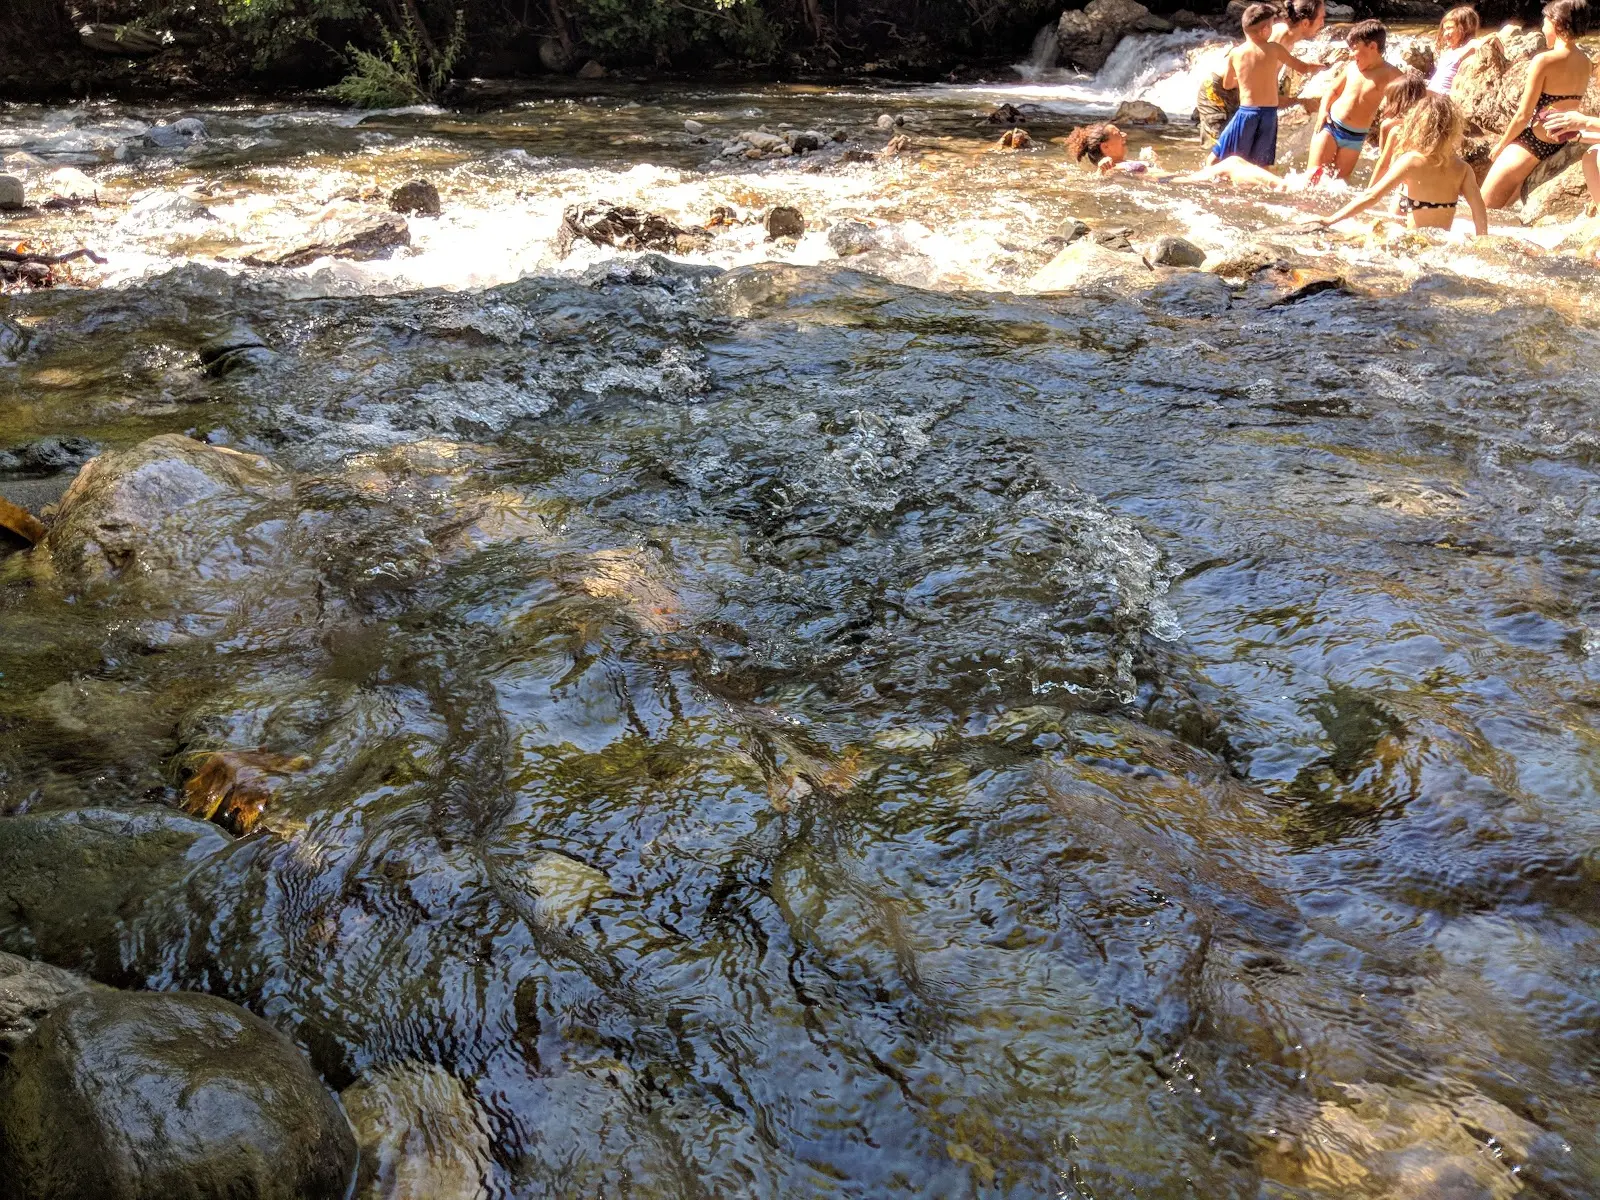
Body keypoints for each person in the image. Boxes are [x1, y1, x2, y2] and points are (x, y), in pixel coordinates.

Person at [1317, 92, 1488, 233]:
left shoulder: (1412, 161)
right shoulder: (1462, 169)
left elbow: (1372, 196)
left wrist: (1330, 220)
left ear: (1419, 126)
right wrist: (1483, 239)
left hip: (1415, 244)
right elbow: (1478, 209)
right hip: (1440, 245)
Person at [1480, 0, 1592, 209]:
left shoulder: (1545, 60)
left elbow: (1524, 114)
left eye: (1545, 22)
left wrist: (1501, 145)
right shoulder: (1585, 61)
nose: (1542, 27)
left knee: (1481, 207)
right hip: (1561, 142)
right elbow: (1565, 105)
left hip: (1532, 143)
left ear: (1557, 23)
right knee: (1506, 213)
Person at [1211, 2, 1329, 167]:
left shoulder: (1237, 53)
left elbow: (1230, 83)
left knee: (1220, 159)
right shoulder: (1276, 47)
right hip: (1261, 112)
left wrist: (1248, 79)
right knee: (1258, 165)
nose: (1324, 23)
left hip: (1247, 111)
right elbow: (1302, 68)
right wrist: (1321, 68)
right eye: (1322, 18)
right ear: (1266, 30)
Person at [1063, 119, 1305, 191]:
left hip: (1179, 181)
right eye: (1118, 134)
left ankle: (1279, 185)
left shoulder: (1125, 163)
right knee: (1232, 162)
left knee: (1236, 164)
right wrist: (1101, 169)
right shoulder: (1113, 167)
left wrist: (1155, 163)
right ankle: (1284, 187)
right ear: (1105, 147)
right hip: (1183, 183)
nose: (1124, 135)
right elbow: (1102, 179)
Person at [1307, 20, 1402, 180]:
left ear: (1372, 47)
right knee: (1313, 177)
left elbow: (1412, 94)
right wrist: (1323, 111)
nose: (1351, 54)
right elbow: (1333, 90)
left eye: (1355, 49)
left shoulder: (1391, 74)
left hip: (1355, 138)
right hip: (1331, 127)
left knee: (1337, 186)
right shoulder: (1352, 67)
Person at [1429, 6, 1483, 95]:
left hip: (1442, 97)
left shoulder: (1468, 47)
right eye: (1444, 29)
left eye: (1449, 28)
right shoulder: (1448, 51)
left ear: (1466, 28)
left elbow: (1481, 44)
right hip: (1432, 94)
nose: (1445, 34)